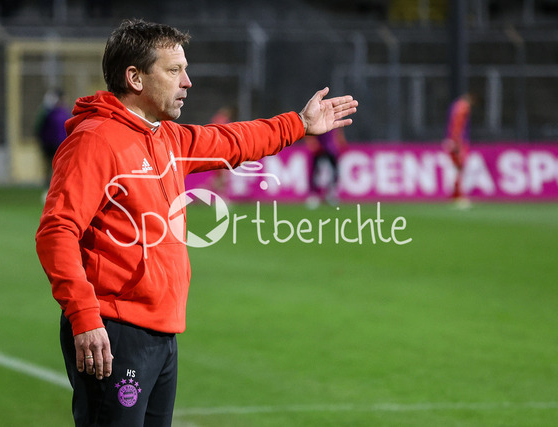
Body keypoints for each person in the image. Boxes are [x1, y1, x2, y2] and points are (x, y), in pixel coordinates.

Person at [35, 18, 358, 426]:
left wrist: (300, 124)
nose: (187, 82)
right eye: (174, 71)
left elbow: (234, 141)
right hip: (113, 329)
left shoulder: (168, 137)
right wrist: (84, 316)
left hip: (162, 329)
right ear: (134, 77)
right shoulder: (94, 140)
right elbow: (57, 232)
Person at [442, 92, 474, 209]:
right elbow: (457, 126)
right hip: (459, 142)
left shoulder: (454, 106)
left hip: (453, 140)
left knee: (456, 169)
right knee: (459, 169)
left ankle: (455, 195)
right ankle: (458, 196)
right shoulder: (462, 107)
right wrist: (456, 142)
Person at [34, 88, 72, 184]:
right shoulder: (48, 112)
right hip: (49, 143)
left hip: (61, 143)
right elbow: (40, 127)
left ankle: (57, 182)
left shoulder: (66, 112)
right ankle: (48, 182)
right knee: (49, 164)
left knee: (59, 164)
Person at [305, 127, 347, 209]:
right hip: (319, 146)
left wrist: (340, 140)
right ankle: (314, 194)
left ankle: (331, 194)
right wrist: (311, 141)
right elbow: (310, 128)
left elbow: (338, 130)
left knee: (334, 171)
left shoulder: (335, 119)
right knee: (316, 171)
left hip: (331, 147)